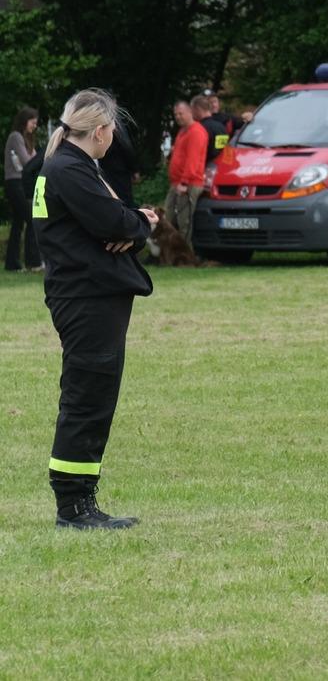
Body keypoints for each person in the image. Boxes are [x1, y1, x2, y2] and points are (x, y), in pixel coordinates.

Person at [36, 89, 158, 529]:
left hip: (88, 295)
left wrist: (129, 225)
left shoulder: (70, 166)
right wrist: (139, 222)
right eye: (113, 131)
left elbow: (114, 222)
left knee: (94, 396)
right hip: (86, 297)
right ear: (101, 131)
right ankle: (73, 507)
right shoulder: (70, 169)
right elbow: (113, 221)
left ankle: (82, 501)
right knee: (87, 399)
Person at [166, 99, 208, 248]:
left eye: (181, 113)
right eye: (175, 114)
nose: (178, 117)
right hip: (176, 183)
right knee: (168, 219)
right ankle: (168, 252)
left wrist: (184, 182)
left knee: (184, 222)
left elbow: (193, 160)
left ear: (190, 112)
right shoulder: (183, 131)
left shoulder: (196, 132)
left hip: (188, 184)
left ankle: (184, 254)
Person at [5, 106, 38, 271]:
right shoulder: (16, 136)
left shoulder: (26, 139)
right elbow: (28, 162)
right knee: (31, 219)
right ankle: (33, 262)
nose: (35, 126)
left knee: (18, 223)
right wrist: (36, 161)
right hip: (15, 183)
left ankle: (12, 263)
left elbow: (33, 160)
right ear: (25, 121)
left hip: (20, 183)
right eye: (33, 122)